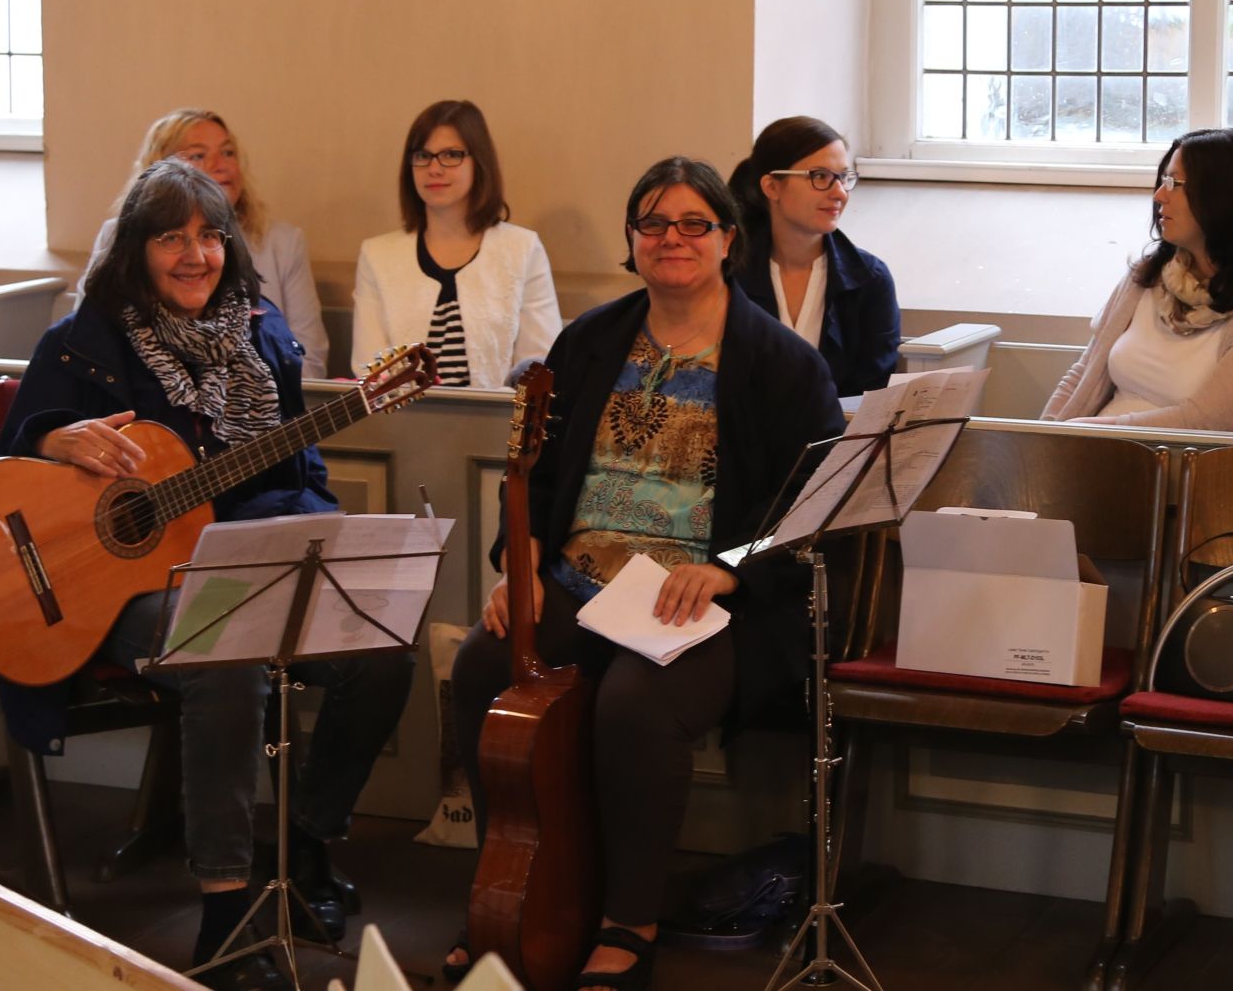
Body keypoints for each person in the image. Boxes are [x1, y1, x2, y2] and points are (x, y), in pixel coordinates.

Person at [0, 160, 413, 991]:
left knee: (383, 655)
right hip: (116, 589)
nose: (196, 255)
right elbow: (12, 459)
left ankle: (302, 851)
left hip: (248, 563)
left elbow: (309, 477)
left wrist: (294, 522)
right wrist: (53, 440)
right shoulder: (82, 342)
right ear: (134, 250)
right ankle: (227, 911)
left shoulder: (266, 336)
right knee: (226, 654)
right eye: (171, 238)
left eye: (210, 235)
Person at [445, 157, 845, 990]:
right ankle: (511, 893)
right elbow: (541, 477)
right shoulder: (591, 340)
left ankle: (630, 919)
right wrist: (518, 564)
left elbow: (810, 511)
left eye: (695, 223)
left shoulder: (780, 363)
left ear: (730, 239)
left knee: (636, 700)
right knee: (483, 666)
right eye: (654, 224)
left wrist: (727, 572)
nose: (673, 239)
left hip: (707, 598)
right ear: (632, 240)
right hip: (584, 577)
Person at [1042, 128, 1233, 432]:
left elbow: (1208, 422)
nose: (1159, 196)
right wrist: (1042, 438)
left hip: (1193, 470)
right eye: (1162, 181)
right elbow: (1082, 374)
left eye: (1174, 183)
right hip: (1097, 452)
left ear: (1226, 196)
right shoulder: (1146, 276)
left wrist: (1094, 432)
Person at [79, 107, 330, 379]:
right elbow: (86, 337)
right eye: (199, 155)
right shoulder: (117, 236)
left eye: (228, 152)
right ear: (162, 170)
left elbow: (309, 361)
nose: (220, 165)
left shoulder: (284, 242)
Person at [352, 100, 561, 388]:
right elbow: (369, 371)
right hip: (399, 427)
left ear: (480, 162)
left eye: (451, 155)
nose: (434, 169)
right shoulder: (377, 255)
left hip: (499, 428)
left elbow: (539, 366)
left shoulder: (523, 249)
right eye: (423, 155)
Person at [729, 115, 901, 396]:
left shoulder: (871, 280)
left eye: (844, 177)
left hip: (839, 439)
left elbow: (871, 392)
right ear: (772, 186)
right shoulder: (728, 275)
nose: (840, 193)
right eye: (820, 176)